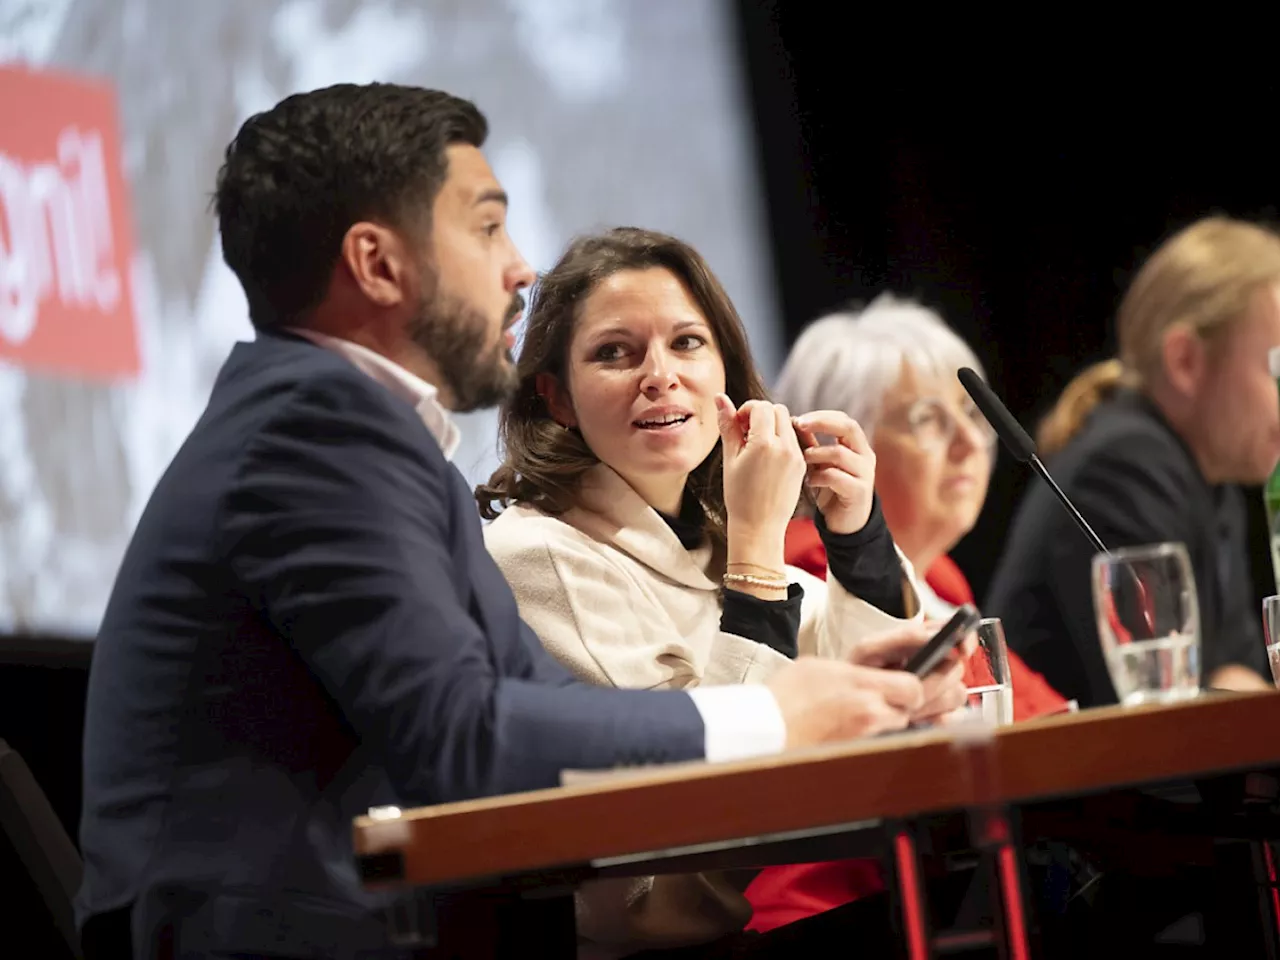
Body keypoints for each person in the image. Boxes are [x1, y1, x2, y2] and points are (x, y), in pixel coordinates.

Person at [75, 84, 951, 960]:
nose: (521, 268)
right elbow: (468, 736)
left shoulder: (350, 433)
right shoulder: (312, 436)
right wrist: (773, 718)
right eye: (488, 226)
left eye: (687, 344)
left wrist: (823, 691)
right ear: (378, 264)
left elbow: (536, 704)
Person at [476, 228, 970, 958]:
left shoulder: (706, 533)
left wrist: (858, 534)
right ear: (557, 399)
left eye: (686, 344)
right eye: (615, 352)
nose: (659, 375)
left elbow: (864, 696)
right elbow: (700, 805)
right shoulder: (534, 552)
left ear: (726, 377)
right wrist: (759, 550)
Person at [740, 295, 1069, 932]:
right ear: (835, 446)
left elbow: (1045, 723)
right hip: (849, 917)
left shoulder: (940, 577)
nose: (970, 442)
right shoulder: (804, 574)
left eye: (974, 416)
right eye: (927, 419)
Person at [985, 216, 1280, 708]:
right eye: (1276, 369)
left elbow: (1237, 672)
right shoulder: (1126, 467)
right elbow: (1168, 704)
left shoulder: (1212, 479)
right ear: (1186, 361)